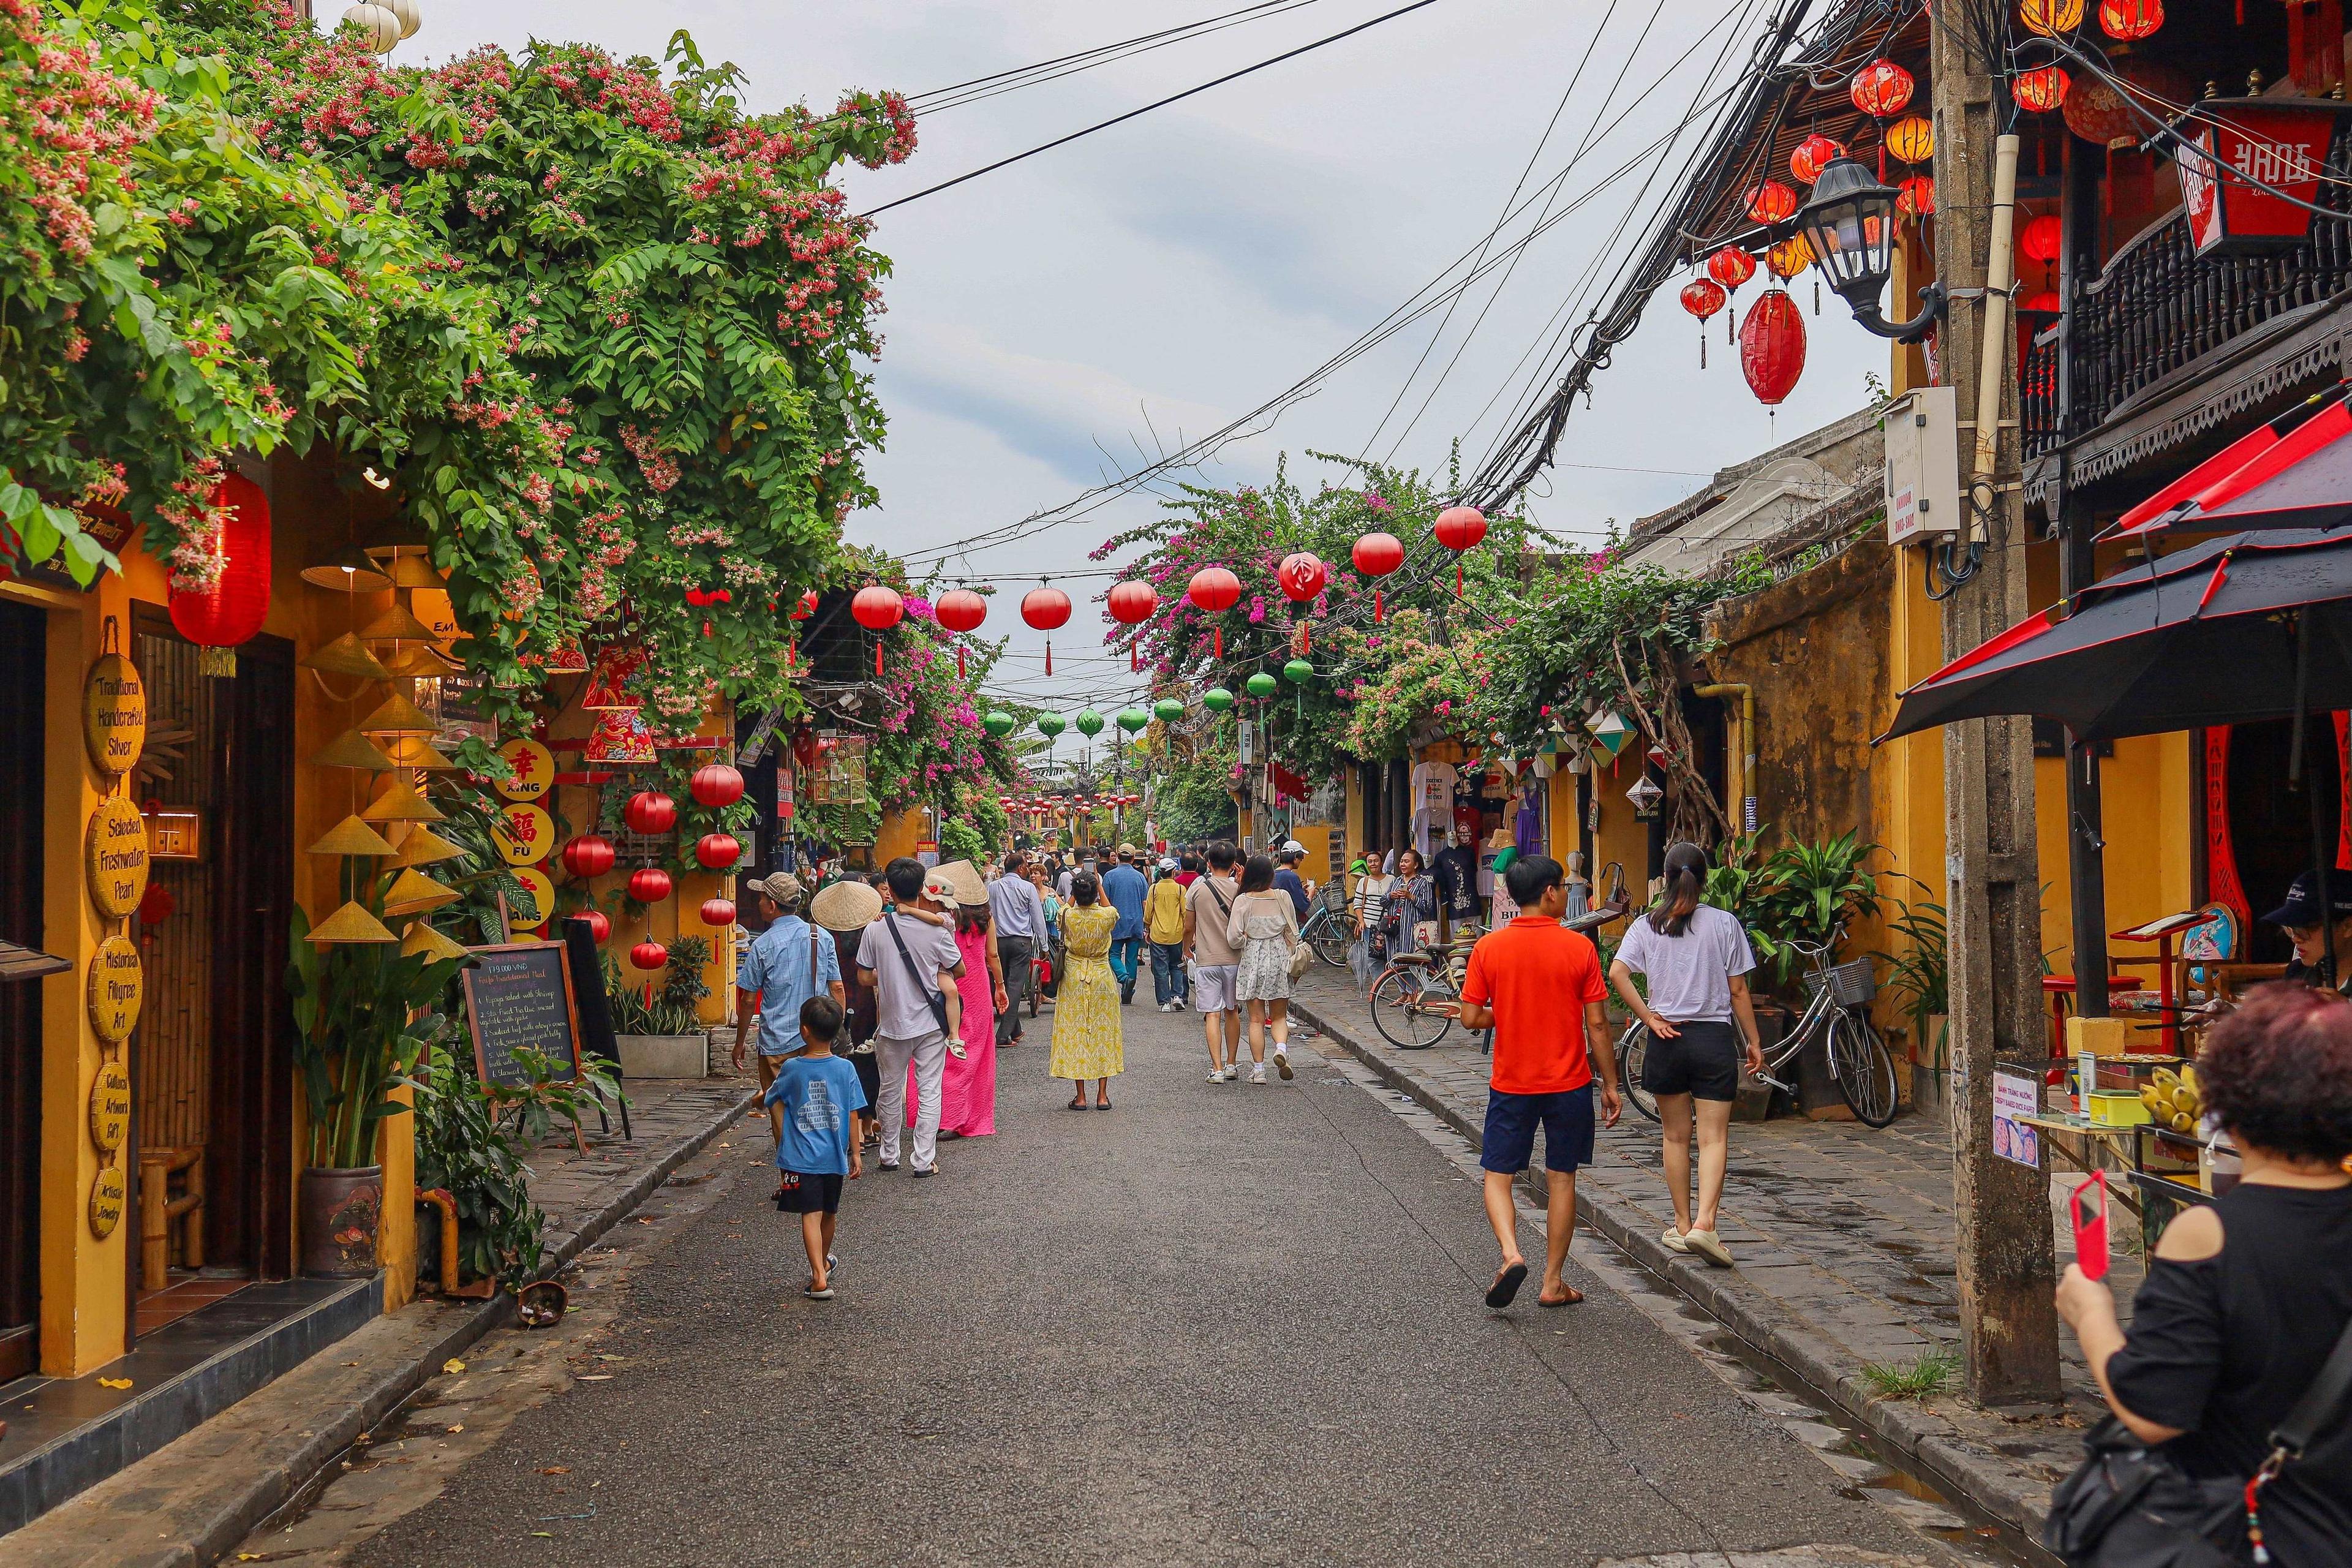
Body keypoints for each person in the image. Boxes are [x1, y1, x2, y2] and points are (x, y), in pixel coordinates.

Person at [2054, 982, 2352, 1566]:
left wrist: (2091, 1314)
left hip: (2252, 1535)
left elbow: (2152, 1411)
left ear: (2230, 1106)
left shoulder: (2208, 1235)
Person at [1457, 854, 1623, 1310]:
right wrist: (1610, 1084)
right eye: (1564, 890)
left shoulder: (1490, 949)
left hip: (1512, 1083)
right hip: (1569, 1082)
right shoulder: (1579, 948)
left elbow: (1470, 1017)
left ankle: (1511, 1254)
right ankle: (1552, 1283)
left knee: (1498, 1174)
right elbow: (1599, 1026)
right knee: (1561, 1179)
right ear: (1550, 893)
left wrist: (1504, 1013)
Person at [1607, 841, 1763, 1268]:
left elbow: (1618, 973)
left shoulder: (1646, 925)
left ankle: (1680, 1224)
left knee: (1675, 1137)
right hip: (1712, 1039)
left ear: (1666, 877)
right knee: (1713, 1138)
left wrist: (1648, 1017)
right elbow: (1738, 990)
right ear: (1705, 876)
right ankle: (1705, 1224)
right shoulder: (1725, 924)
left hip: (1666, 1041)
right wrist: (1753, 1040)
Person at [856, 858, 965, 1178]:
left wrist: (889, 976)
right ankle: (923, 1160)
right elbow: (959, 970)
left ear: (888, 889)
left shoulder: (875, 929)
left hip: (891, 1024)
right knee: (930, 1088)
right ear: (921, 890)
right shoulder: (936, 931)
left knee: (890, 1090)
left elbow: (864, 978)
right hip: (931, 1024)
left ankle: (889, 1154)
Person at [730, 874, 845, 1160]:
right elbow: (837, 988)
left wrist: (740, 1041)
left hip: (776, 1042)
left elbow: (747, 999)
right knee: (815, 1104)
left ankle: (790, 1176)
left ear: (771, 905)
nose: (758, 903)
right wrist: (837, 1028)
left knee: (780, 1108)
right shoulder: (821, 936)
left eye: (760, 898)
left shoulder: (763, 945)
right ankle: (819, 1163)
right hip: (816, 1039)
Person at [763, 995, 865, 1300]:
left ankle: (819, 1275)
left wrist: (761, 1099)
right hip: (834, 1157)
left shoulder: (792, 1068)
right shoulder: (845, 1069)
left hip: (799, 1159)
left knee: (811, 1213)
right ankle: (823, 1263)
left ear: (804, 1030)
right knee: (829, 1213)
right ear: (836, 1034)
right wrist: (856, 1152)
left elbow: (772, 1098)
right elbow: (853, 1112)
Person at [810, 878, 886, 1153]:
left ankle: (847, 1129)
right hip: (866, 1003)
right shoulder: (873, 930)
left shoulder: (823, 935)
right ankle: (867, 1124)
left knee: (839, 1063)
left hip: (834, 1006)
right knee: (868, 1062)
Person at [935, 886, 1004, 1140]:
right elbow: (993, 955)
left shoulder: (944, 917)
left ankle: (943, 1114)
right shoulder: (986, 918)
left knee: (949, 1049)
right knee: (977, 1052)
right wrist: (1000, 986)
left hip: (950, 984)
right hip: (977, 987)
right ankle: (970, 1115)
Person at [1050, 870, 1124, 1109]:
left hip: (1073, 975)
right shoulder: (1106, 916)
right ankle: (1102, 1095)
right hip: (1102, 975)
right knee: (1103, 1031)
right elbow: (1110, 909)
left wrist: (1075, 892)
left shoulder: (1069, 916)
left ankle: (1081, 1097)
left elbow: (1061, 912)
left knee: (1075, 1032)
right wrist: (1099, 886)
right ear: (1094, 894)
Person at [1227, 853, 1302, 1084]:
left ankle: (1259, 1071)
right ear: (1271, 875)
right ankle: (1281, 1048)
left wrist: (1246, 939)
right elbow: (1292, 932)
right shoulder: (1282, 897)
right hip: (1279, 959)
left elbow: (1233, 939)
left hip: (1253, 961)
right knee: (1279, 1016)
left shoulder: (1243, 901)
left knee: (1257, 1020)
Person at [1184, 841, 1245, 1082]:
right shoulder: (1240, 890)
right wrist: (1240, 882)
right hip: (1235, 960)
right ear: (1234, 865)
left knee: (1212, 1014)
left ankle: (1217, 1068)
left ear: (1208, 863)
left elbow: (1188, 926)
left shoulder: (1197, 890)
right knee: (1233, 1011)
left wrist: (1186, 947)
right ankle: (1232, 1064)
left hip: (1207, 960)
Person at [2266, 867, 2352, 994]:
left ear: (2348, 927)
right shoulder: (2298, 973)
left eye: (2305, 928)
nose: (2296, 938)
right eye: (2291, 928)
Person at [988, 850, 1044, 1044]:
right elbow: (1038, 918)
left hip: (999, 942)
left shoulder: (993, 887)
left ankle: (1016, 1030)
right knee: (1014, 985)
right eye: (1026, 866)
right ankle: (1003, 1035)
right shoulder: (1028, 888)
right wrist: (1044, 945)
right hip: (1021, 942)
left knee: (1002, 982)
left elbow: (988, 913)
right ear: (1020, 868)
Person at [1102, 845, 1149, 1006]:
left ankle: (1123, 978)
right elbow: (1145, 903)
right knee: (1132, 958)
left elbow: (1105, 902)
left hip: (1116, 922)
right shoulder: (1140, 877)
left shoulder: (1109, 876)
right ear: (1133, 859)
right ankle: (1128, 990)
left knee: (1113, 955)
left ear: (1117, 858)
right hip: (1136, 921)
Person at [1349, 846, 1396, 987]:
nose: (1373, 864)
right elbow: (1357, 903)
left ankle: (1394, 983)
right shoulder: (1363, 882)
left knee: (1391, 955)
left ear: (1381, 863)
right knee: (1373, 958)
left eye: (1376, 861)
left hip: (1389, 925)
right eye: (1370, 862)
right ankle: (1379, 987)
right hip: (1370, 925)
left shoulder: (1392, 879)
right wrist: (1361, 921)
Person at [1147, 857, 1190, 1012]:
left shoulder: (1153, 889)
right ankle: (1178, 996)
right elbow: (1186, 913)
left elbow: (1148, 913)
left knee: (1160, 969)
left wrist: (1147, 928)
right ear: (1173, 872)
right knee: (1177, 966)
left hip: (1158, 934)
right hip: (1177, 934)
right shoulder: (1180, 889)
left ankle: (1164, 1003)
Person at [1385, 847, 1437, 960]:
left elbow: (1427, 907)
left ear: (1415, 865)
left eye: (1407, 861)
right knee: (1394, 962)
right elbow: (1383, 901)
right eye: (1401, 861)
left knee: (1410, 962)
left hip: (1412, 930)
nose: (1402, 864)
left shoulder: (1423, 883)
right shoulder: (1396, 881)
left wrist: (1411, 897)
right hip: (1394, 929)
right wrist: (1391, 896)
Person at [1273, 842, 1312, 922]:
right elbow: (1303, 906)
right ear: (1295, 858)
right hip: (1288, 921)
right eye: (1301, 858)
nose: (1302, 860)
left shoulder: (1272, 875)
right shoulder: (1292, 877)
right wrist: (1311, 894)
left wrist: (1300, 889)